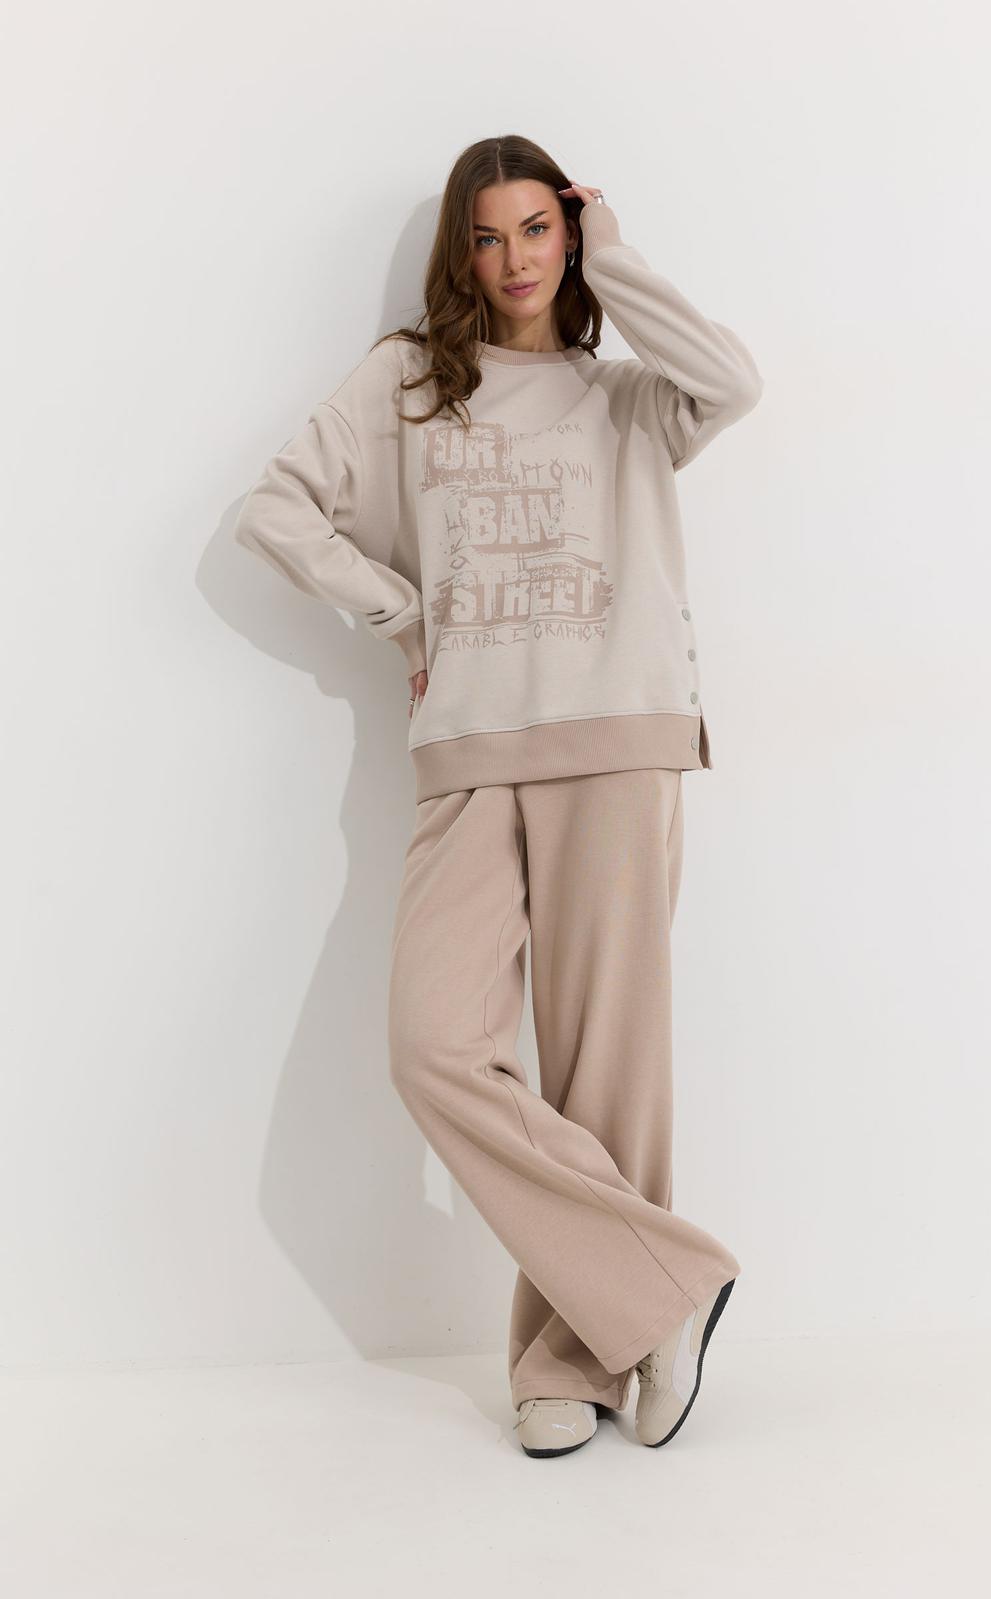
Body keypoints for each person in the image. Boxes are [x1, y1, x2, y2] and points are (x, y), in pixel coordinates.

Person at [234, 134, 763, 1457]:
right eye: (489, 236)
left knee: (605, 1071)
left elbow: (734, 381)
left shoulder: (629, 397)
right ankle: (670, 1289)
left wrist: (616, 259)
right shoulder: (409, 383)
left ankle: (569, 1360)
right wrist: (401, 612)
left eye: (538, 230)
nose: (515, 259)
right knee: (434, 1048)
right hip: (469, 754)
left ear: (568, 240)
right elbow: (278, 508)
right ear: (460, 254)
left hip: (617, 739)